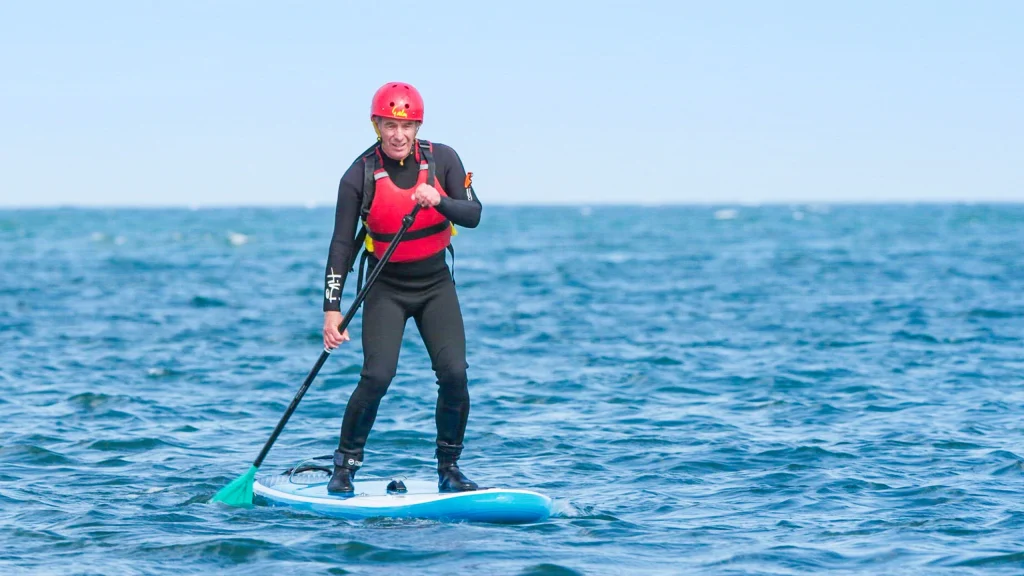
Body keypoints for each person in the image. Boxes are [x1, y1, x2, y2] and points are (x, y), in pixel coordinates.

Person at [321, 81, 482, 496]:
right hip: (384, 287)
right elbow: (342, 245)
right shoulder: (357, 175)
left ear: (417, 126)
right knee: (377, 376)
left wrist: (440, 200)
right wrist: (331, 309)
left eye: (406, 125)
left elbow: (473, 213)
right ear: (376, 125)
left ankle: (449, 468)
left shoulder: (444, 159)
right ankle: (345, 467)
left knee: (454, 374)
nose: (398, 134)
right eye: (390, 125)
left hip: (435, 286)